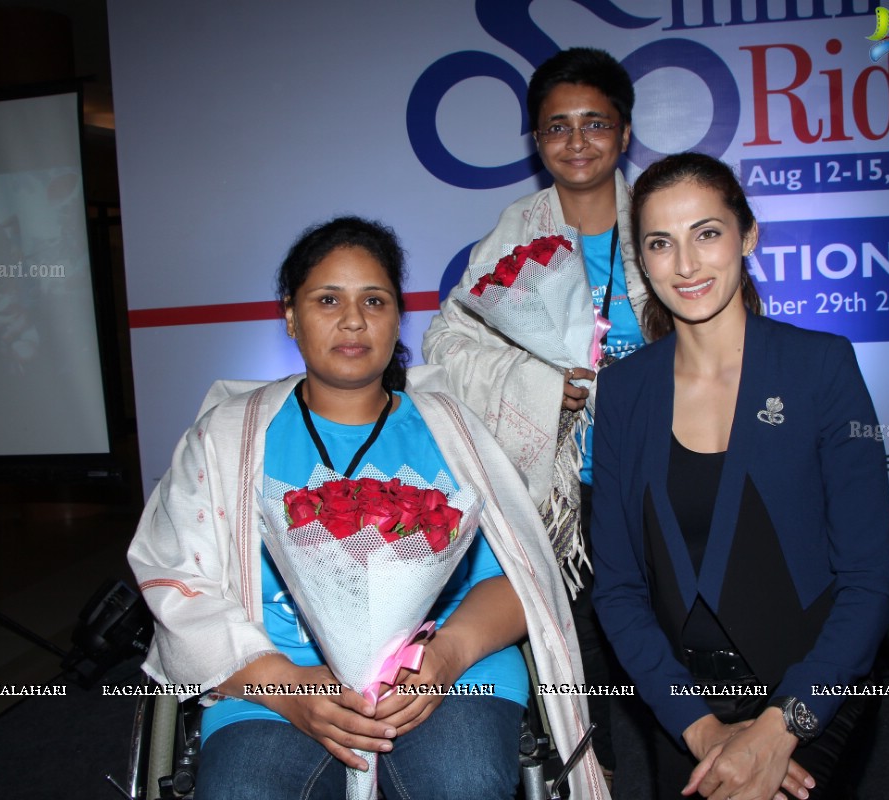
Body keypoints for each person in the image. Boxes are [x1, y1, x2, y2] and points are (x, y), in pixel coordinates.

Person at [129, 217, 607, 799]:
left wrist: (448, 655)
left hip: (448, 674)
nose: (353, 320)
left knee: (460, 786)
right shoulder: (227, 439)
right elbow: (179, 583)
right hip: (273, 680)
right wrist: (287, 686)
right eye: (327, 299)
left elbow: (518, 581)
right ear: (290, 315)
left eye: (373, 301)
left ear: (396, 318)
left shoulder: (451, 432)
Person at [590, 153, 889, 799]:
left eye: (707, 233)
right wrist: (700, 731)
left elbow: (870, 583)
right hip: (687, 706)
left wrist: (780, 727)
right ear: (641, 261)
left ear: (747, 235)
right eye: (660, 243)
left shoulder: (821, 367)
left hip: (815, 687)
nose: (687, 264)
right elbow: (617, 589)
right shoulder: (623, 391)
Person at [422, 47, 647, 778]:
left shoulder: (662, 213)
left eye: (594, 123)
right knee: (581, 653)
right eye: (556, 126)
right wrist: (540, 382)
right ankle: (596, 779)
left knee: (673, 642)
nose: (576, 142)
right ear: (536, 140)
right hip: (564, 492)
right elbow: (446, 339)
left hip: (664, 472)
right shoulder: (519, 227)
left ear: (624, 130)